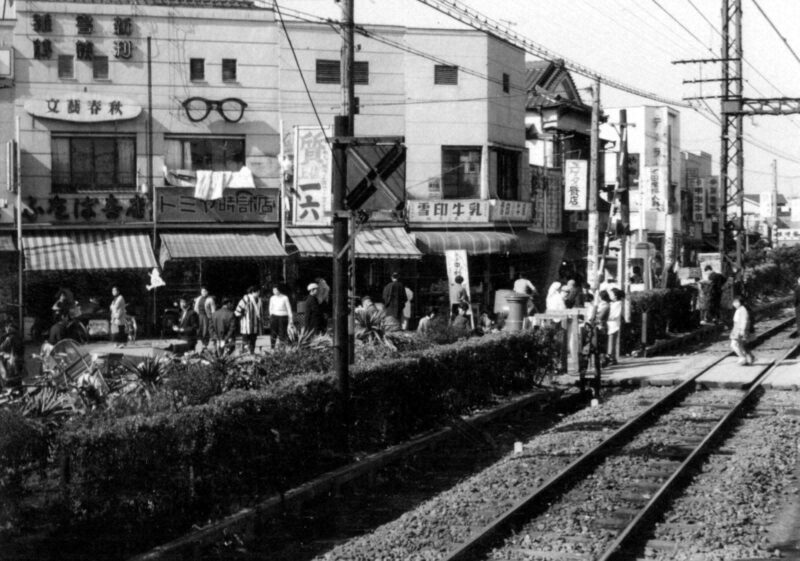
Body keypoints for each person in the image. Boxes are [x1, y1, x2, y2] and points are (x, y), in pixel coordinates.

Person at [235, 286, 262, 354]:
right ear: (253, 292)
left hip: (254, 324)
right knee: (246, 340)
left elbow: (260, 312)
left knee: (253, 339)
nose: (259, 293)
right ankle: (245, 353)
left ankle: (252, 352)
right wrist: (243, 312)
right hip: (246, 324)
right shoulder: (245, 299)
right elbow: (237, 311)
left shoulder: (259, 300)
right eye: (258, 292)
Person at [730, 296, 755, 365]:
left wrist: (743, 330)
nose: (733, 304)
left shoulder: (742, 310)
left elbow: (744, 321)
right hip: (737, 329)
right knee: (740, 345)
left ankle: (742, 358)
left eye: (735, 302)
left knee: (734, 345)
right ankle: (748, 357)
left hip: (739, 330)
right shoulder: (740, 309)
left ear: (739, 303)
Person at [268, 283, 293, 349]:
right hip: (274, 317)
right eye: (273, 290)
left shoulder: (285, 297)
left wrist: (291, 319)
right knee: (273, 333)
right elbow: (270, 308)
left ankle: (282, 347)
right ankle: (272, 347)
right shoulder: (272, 298)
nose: (274, 292)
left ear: (279, 290)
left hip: (283, 317)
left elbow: (289, 309)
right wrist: (271, 316)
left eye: (276, 290)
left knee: (282, 333)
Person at [605, 288, 624, 366]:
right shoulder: (612, 303)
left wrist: (605, 317)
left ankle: (611, 358)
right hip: (609, 324)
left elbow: (615, 315)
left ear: (615, 296)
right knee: (610, 342)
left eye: (611, 294)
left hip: (613, 324)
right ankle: (613, 358)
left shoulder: (618, 303)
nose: (610, 296)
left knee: (611, 342)